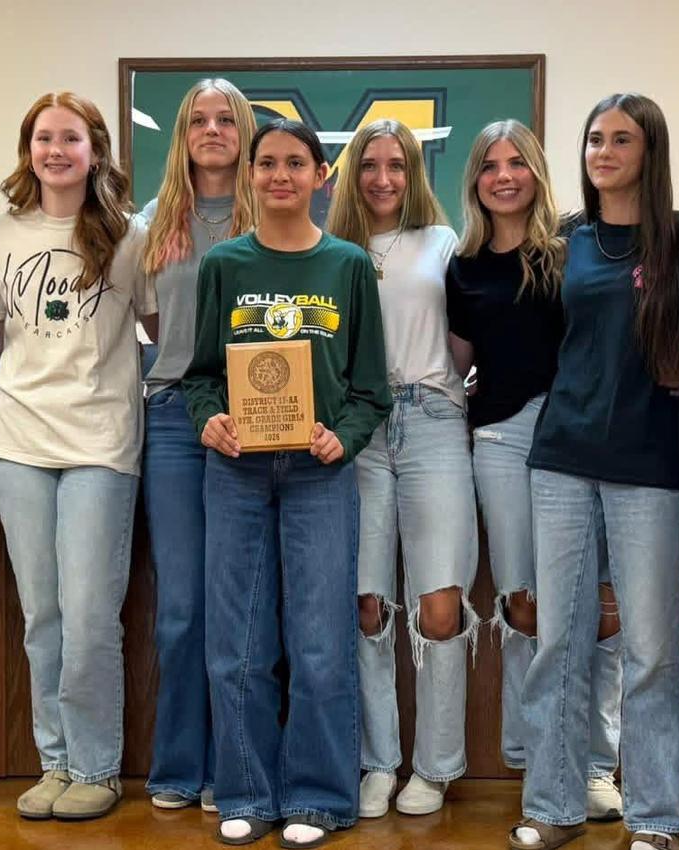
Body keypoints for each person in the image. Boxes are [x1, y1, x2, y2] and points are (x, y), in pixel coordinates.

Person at [184, 117, 392, 849]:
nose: (280, 175)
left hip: (319, 472)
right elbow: (200, 377)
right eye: (267, 162)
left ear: (320, 176)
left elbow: (371, 390)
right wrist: (210, 420)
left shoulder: (348, 266)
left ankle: (319, 797)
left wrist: (346, 436)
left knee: (320, 642)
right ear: (250, 174)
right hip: (236, 470)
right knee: (236, 641)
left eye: (295, 163)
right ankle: (245, 790)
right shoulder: (224, 265)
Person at [511, 94, 679, 850]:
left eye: (621, 140)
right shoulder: (564, 240)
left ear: (651, 152)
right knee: (560, 642)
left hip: (650, 464)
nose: (603, 152)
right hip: (562, 459)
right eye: (594, 139)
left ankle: (654, 818)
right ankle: (553, 807)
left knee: (650, 649)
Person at [447, 120, 627, 823]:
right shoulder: (464, 266)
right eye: (489, 165)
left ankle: (596, 764)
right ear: (475, 180)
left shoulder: (575, 246)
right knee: (524, 602)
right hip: (499, 436)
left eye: (516, 162)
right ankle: (539, 755)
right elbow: (454, 366)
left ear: (537, 172)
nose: (504, 176)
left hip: (579, 433)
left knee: (600, 606)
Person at [0, 91, 156, 822]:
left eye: (71, 138)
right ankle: (53, 761)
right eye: (43, 138)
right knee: (43, 616)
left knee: (89, 616)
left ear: (95, 151)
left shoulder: (130, 236)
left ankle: (95, 767)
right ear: (28, 150)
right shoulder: (0, 235)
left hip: (100, 442)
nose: (56, 151)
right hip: (18, 440)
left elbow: (160, 329)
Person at [325, 118, 478, 819]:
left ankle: (436, 767)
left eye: (397, 165)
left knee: (439, 605)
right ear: (351, 174)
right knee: (366, 605)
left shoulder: (444, 243)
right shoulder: (331, 250)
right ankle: (378, 762)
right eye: (369, 164)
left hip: (433, 421)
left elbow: (469, 340)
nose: (383, 178)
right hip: (359, 428)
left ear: (414, 173)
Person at [135, 78, 257, 814]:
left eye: (226, 120)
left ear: (244, 132)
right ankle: (180, 766)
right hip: (176, 420)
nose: (212, 130)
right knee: (180, 607)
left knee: (239, 604)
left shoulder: (272, 212)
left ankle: (232, 769)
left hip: (257, 421)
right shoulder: (151, 223)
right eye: (199, 120)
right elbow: (157, 326)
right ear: (182, 135)